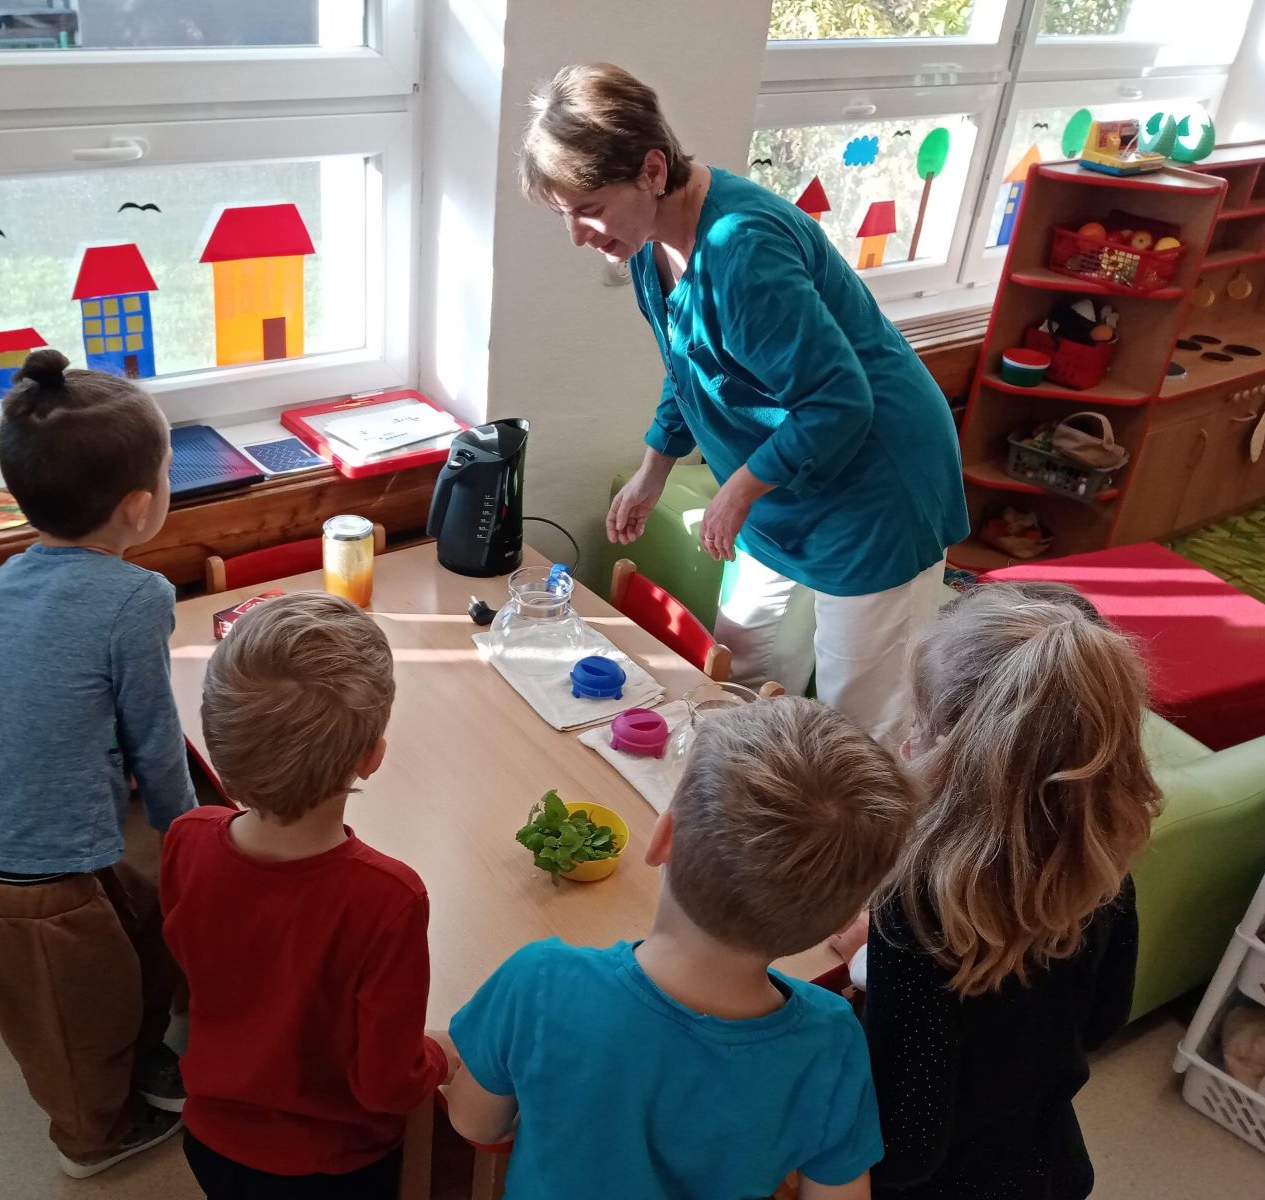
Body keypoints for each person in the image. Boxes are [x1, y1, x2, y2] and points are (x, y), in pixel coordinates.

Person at [520, 63, 969, 747]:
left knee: (864, 724)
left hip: (877, 489)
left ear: (651, 170)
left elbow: (838, 403)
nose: (578, 234)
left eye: (589, 209)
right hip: (782, 480)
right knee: (743, 675)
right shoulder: (647, 247)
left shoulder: (743, 248)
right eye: (564, 215)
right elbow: (690, 365)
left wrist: (737, 490)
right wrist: (654, 467)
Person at [443, 696, 918, 1199]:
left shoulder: (539, 981)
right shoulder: (832, 1043)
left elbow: (474, 1122)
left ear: (662, 837)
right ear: (845, 918)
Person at [0, 349, 195, 1178]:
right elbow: (155, 740)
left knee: (142, 933)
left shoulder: (13, 572)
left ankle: (141, 1053)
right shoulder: (136, 597)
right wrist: (190, 834)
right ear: (139, 507)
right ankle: (91, 1139)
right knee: (75, 1021)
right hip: (22, 886)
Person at [864, 583, 1163, 1199]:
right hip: (1047, 1160)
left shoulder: (916, 908)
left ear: (946, 752)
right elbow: (1103, 1022)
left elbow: (904, 1147)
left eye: (919, 726)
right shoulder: (1101, 873)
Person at [162, 591, 452, 1200]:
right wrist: (440, 1057)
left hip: (210, 1138)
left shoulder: (187, 838)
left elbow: (196, 963)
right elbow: (388, 1085)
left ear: (216, 743)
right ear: (372, 757)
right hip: (331, 1170)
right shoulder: (389, 899)